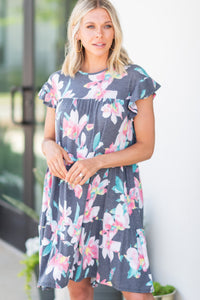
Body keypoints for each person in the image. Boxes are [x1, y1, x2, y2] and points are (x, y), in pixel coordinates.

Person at [38, 0, 161, 299]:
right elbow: (47, 138)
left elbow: (146, 147)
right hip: (69, 194)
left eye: (107, 26)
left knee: (134, 285)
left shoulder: (135, 80)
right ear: (76, 32)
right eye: (90, 26)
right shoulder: (60, 82)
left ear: (115, 31)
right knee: (78, 286)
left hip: (117, 195)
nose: (99, 35)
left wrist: (97, 163)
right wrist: (50, 150)